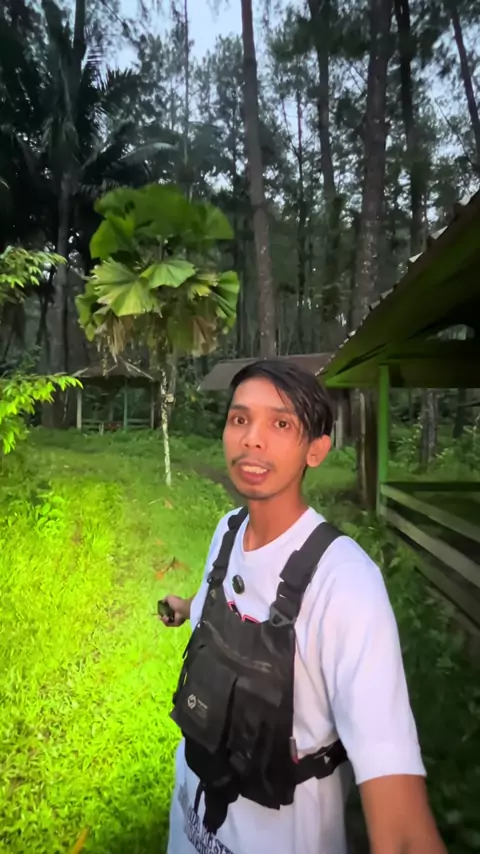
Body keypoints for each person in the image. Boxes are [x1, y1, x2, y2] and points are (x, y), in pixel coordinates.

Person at [161, 359, 446, 854]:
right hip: (190, 818)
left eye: (281, 424)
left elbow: (401, 824)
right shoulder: (228, 530)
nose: (252, 438)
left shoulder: (346, 582)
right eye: (240, 418)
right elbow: (223, 602)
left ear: (317, 449)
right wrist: (187, 607)